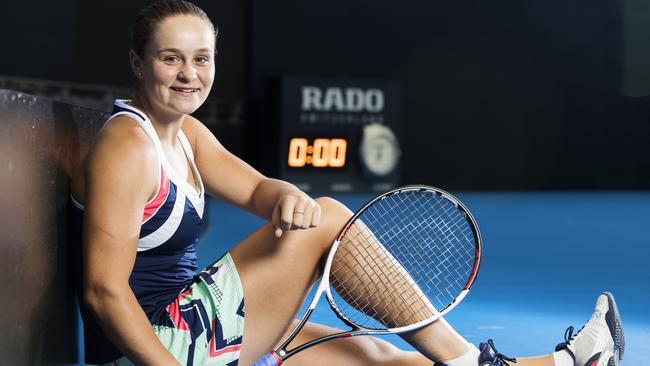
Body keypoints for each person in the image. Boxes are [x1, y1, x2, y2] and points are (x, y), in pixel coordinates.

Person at [69, 1, 625, 365]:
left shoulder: (185, 134)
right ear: (138, 64)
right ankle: (469, 363)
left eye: (202, 58)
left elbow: (259, 190)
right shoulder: (128, 147)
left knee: (384, 358)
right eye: (171, 59)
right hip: (153, 349)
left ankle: (568, 363)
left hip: (195, 327)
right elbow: (103, 292)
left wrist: (285, 197)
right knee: (333, 216)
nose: (190, 74)